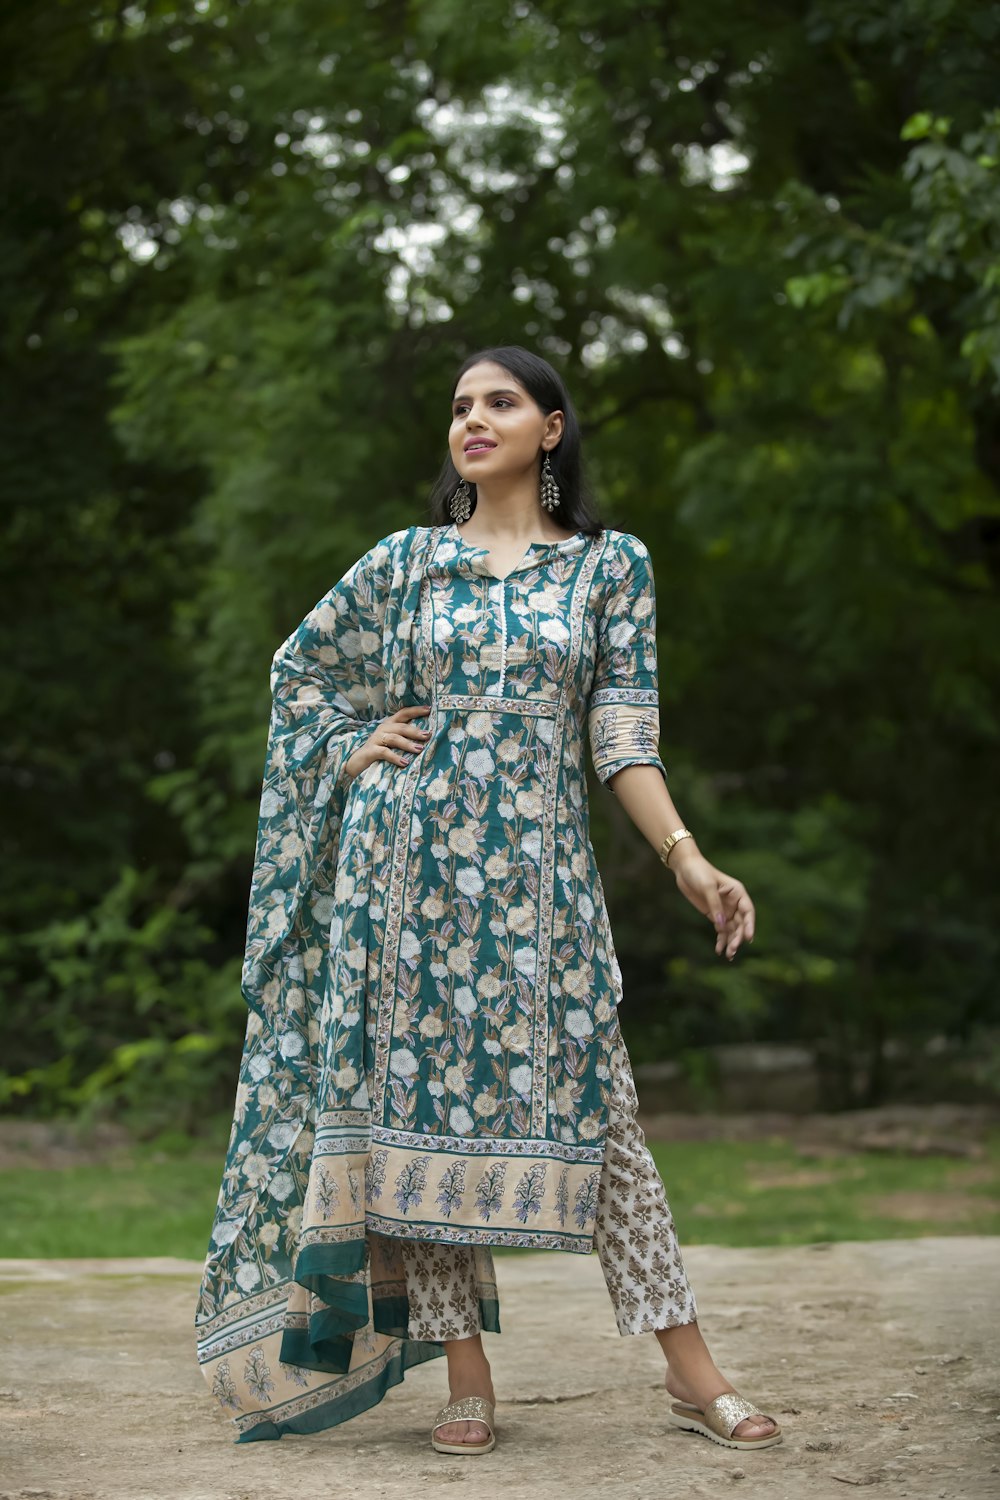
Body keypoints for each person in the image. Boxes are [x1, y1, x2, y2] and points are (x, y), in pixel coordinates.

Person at [195, 344, 782, 1457]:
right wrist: (348, 743)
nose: (473, 419)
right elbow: (298, 672)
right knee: (414, 1130)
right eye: (461, 405)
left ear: (550, 429)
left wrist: (685, 858)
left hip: (540, 893)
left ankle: (691, 1371)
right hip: (401, 881)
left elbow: (622, 732)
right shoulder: (407, 563)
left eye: (500, 402)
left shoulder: (610, 569)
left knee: (607, 1123)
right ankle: (466, 1379)